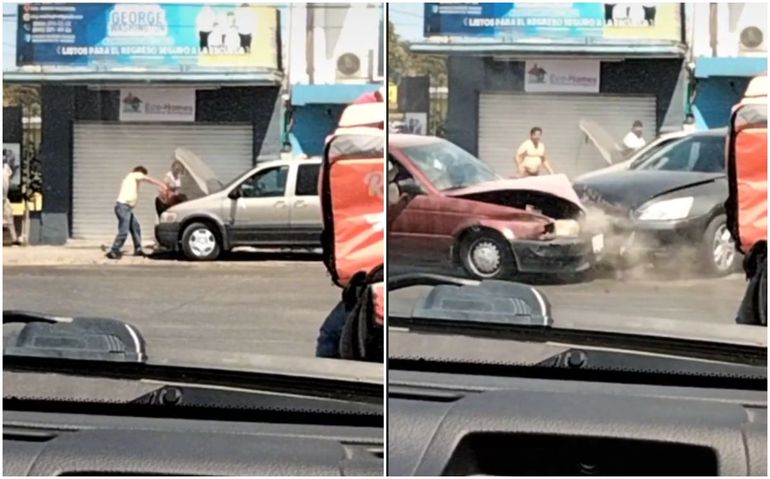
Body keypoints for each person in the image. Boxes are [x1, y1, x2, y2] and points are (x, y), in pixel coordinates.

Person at [106, 166, 166, 260]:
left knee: (135, 227)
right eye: (143, 175)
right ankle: (114, 250)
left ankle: (138, 249)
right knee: (124, 231)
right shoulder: (134, 175)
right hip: (123, 207)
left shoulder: (130, 179)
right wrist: (161, 184)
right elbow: (148, 179)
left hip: (126, 208)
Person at [3, 156, 20, 245]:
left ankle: (14, 239)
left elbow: (9, 181)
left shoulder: (6, 169)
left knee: (9, 217)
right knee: (8, 218)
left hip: (4, 199)